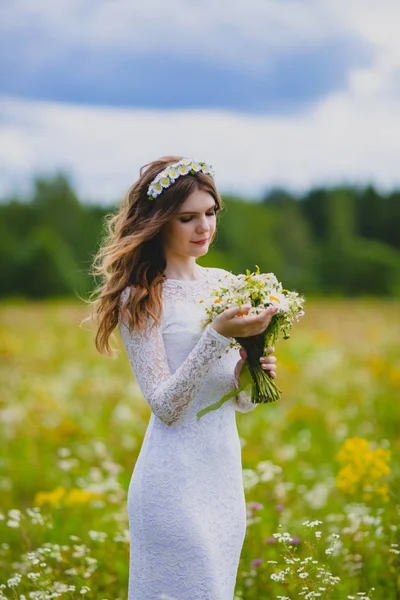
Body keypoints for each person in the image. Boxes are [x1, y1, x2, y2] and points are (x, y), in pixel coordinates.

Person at [89, 156, 278, 600]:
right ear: (159, 222)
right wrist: (216, 335)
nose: (203, 227)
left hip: (223, 477)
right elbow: (166, 405)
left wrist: (250, 373)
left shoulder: (226, 283)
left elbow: (240, 401)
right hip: (171, 482)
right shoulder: (140, 297)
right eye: (187, 217)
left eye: (210, 213)